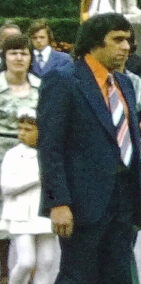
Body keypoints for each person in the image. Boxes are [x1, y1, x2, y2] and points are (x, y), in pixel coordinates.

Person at [37, 13, 141, 283]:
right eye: (118, 40)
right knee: (79, 276)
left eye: (129, 41)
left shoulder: (125, 83)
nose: (126, 47)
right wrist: (58, 202)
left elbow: (132, 141)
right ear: (94, 43)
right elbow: (50, 147)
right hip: (82, 204)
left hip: (123, 202)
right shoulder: (63, 81)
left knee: (119, 275)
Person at [0, 108, 59, 284]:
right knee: (26, 261)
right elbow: (6, 187)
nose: (22, 133)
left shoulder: (50, 154)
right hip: (21, 215)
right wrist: (36, 179)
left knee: (46, 261)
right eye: (20, 129)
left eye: (28, 130)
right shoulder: (13, 155)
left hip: (45, 215)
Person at [0, 34, 40, 284]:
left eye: (24, 53)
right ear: (4, 56)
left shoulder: (41, 86)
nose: (18, 58)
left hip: (32, 162)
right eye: (13, 52)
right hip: (2, 158)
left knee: (32, 222)